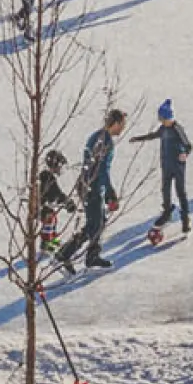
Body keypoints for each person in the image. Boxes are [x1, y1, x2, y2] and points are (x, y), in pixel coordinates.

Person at [56, 109, 126, 272]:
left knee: (96, 221)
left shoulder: (96, 136)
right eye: (122, 125)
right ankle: (72, 255)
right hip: (92, 186)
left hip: (86, 183)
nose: (122, 129)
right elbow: (102, 170)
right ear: (115, 123)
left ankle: (77, 254)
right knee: (96, 222)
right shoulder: (105, 142)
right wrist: (110, 193)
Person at [130, 99, 193, 237]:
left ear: (167, 117)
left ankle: (185, 218)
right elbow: (153, 135)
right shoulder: (163, 129)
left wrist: (184, 153)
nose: (160, 120)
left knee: (180, 191)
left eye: (162, 118)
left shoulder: (177, 129)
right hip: (166, 165)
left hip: (178, 166)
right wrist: (138, 138)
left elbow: (188, 145)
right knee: (165, 189)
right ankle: (167, 212)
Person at [38, 149, 76, 253]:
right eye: (59, 166)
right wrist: (66, 202)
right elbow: (55, 194)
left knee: (53, 221)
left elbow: (56, 194)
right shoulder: (47, 177)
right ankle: (46, 244)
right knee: (49, 223)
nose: (60, 170)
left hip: (47, 206)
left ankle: (53, 240)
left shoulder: (48, 176)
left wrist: (66, 201)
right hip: (44, 207)